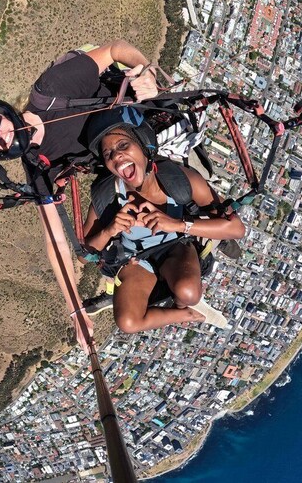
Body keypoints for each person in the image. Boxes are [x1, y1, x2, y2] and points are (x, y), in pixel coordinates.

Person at [0, 41, 160, 352]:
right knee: (87, 248)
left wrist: (143, 71)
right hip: (117, 170)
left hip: (139, 122)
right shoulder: (36, 165)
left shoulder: (51, 91)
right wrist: (75, 309)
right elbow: (55, 241)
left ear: (3, 111)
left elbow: (116, 49)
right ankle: (127, 273)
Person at [81, 106, 246, 334]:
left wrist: (177, 225)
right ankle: (185, 312)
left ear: (142, 145)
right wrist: (109, 230)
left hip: (176, 247)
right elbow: (84, 255)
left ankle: (182, 302)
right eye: (108, 154)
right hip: (135, 260)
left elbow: (236, 228)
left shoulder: (177, 180)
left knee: (188, 292)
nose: (117, 156)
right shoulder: (108, 196)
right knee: (128, 323)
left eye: (123, 145)